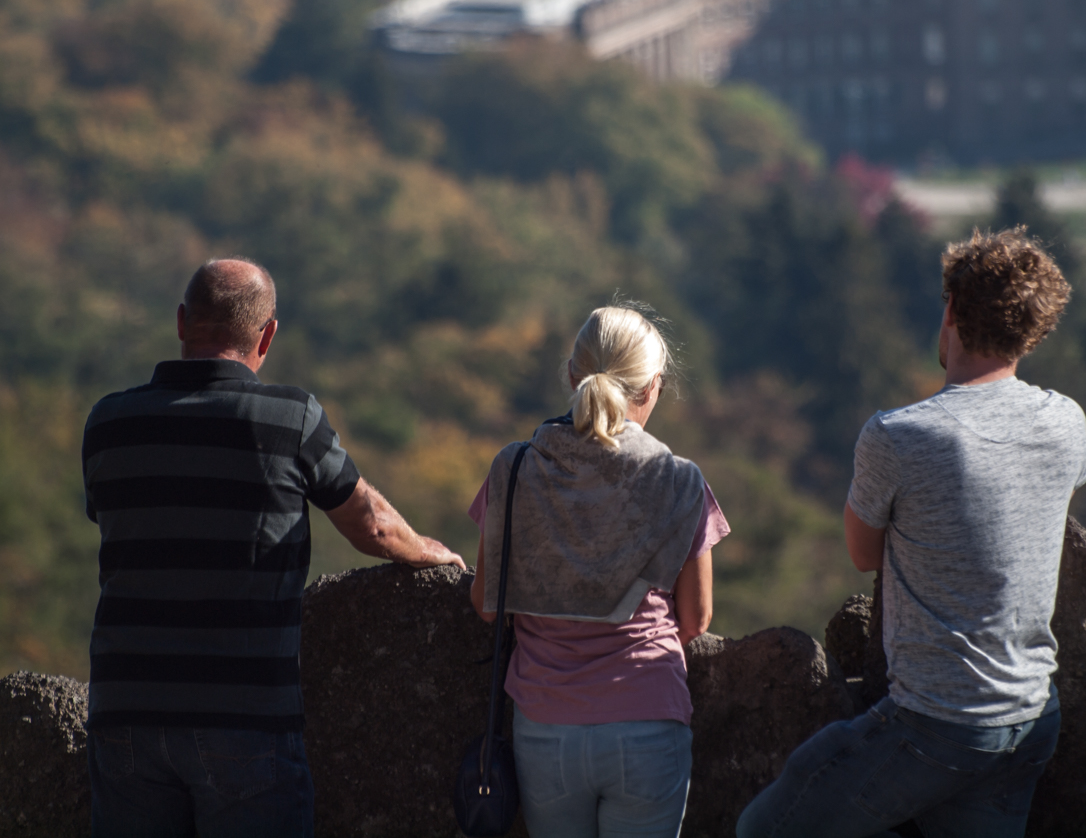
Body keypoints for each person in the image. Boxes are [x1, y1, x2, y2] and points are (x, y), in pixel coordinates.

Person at [82, 258, 465, 838]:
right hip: (244, 718)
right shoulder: (289, 418)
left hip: (124, 712)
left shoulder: (107, 423)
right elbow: (373, 526)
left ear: (182, 322)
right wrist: (433, 553)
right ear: (267, 335)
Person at [737, 228, 1086, 838]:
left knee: (765, 827)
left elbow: (862, 552)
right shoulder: (1066, 421)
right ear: (1032, 330)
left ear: (951, 310)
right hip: (1032, 716)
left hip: (936, 723)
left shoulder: (901, 435)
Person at [468, 304, 730, 838]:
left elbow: (485, 601)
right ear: (652, 387)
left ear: (571, 375)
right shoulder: (679, 479)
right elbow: (697, 618)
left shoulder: (513, 467)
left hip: (545, 726)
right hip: (648, 716)